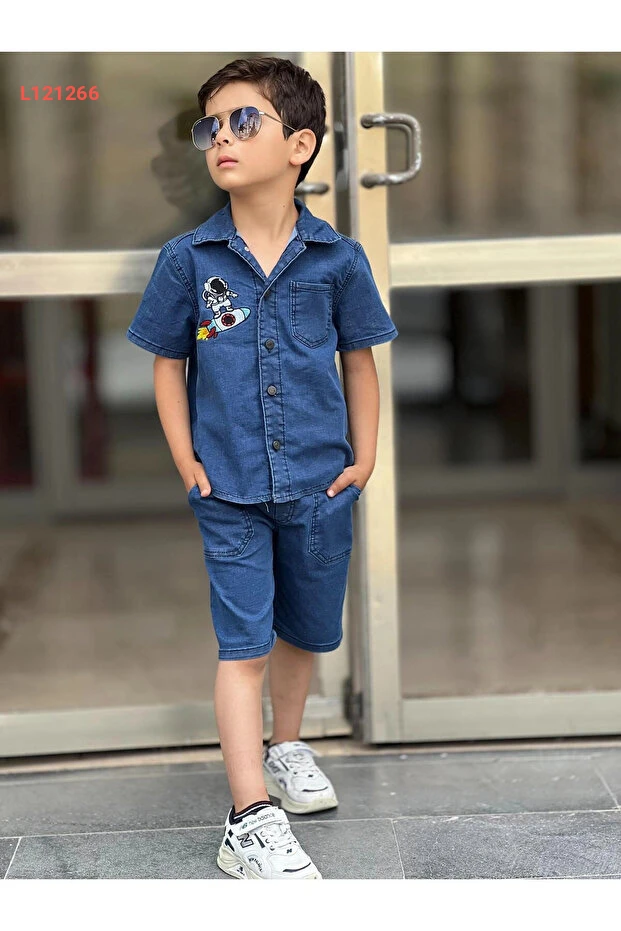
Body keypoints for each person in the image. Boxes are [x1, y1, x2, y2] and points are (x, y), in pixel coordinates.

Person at [126, 56, 399, 880]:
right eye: (210, 126)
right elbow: (167, 363)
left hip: (319, 484)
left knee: (306, 627)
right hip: (230, 488)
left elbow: (359, 362)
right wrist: (186, 458)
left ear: (300, 145)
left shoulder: (338, 259)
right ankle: (248, 816)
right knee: (242, 644)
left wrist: (363, 457)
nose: (222, 138)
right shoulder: (189, 260)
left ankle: (285, 745)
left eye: (244, 121)